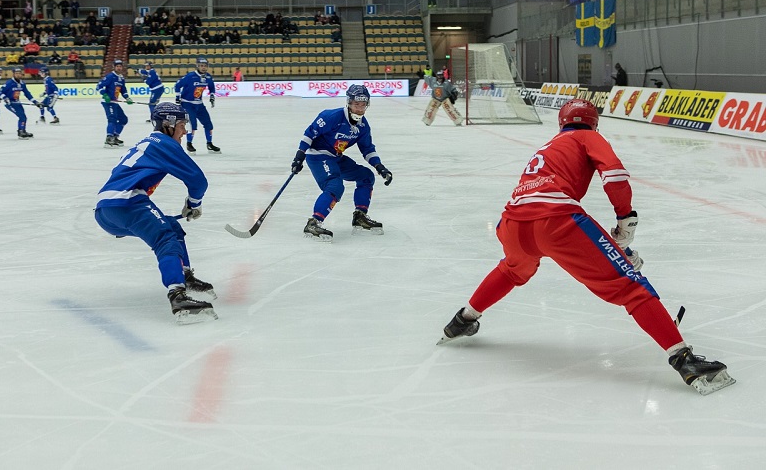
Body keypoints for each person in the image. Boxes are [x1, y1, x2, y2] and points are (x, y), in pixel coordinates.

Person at [438, 99, 735, 396]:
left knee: (513, 270)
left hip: (512, 223)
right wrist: (625, 218)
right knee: (629, 286)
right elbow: (615, 174)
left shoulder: (550, 145)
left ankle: (462, 320)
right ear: (593, 122)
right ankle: (685, 361)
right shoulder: (587, 136)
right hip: (555, 221)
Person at [94, 102, 218, 325]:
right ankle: (178, 296)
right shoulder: (164, 143)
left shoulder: (147, 142)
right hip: (127, 203)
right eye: (182, 125)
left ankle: (185, 275)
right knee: (165, 238)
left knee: (171, 226)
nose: (185, 131)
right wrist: (193, 203)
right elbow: (197, 180)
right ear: (168, 124)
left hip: (106, 210)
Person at [289, 85, 393, 242]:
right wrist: (299, 156)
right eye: (356, 104)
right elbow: (309, 134)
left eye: (363, 104)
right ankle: (314, 222)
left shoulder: (363, 126)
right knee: (335, 186)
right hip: (318, 155)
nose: (359, 108)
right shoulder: (332, 116)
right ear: (349, 103)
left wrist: (380, 167)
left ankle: (360, 216)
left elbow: (368, 149)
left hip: (336, 157)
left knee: (366, 176)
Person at [174, 57, 220, 154]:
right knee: (192, 125)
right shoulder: (190, 76)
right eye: (201, 66)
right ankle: (189, 143)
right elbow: (178, 84)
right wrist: (178, 96)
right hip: (187, 104)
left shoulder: (208, 77)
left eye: (205, 66)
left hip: (199, 104)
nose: (203, 68)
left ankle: (209, 143)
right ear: (197, 66)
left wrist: (212, 95)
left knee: (208, 124)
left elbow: (212, 87)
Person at [96, 59, 133, 148]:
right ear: (114, 67)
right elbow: (99, 86)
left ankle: (115, 136)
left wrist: (127, 98)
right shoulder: (110, 76)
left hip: (115, 102)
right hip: (108, 102)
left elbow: (123, 90)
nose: (119, 68)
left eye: (120, 66)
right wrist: (105, 95)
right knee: (112, 119)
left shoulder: (121, 78)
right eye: (117, 66)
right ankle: (109, 138)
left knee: (123, 119)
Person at [0, 67, 40, 139]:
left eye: (19, 73)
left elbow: (27, 94)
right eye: (16, 73)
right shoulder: (9, 83)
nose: (18, 75)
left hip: (17, 103)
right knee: (22, 116)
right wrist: (5, 98)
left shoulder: (22, 83)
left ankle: (22, 130)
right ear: (13, 74)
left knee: (24, 117)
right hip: (10, 104)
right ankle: (21, 132)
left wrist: (35, 102)